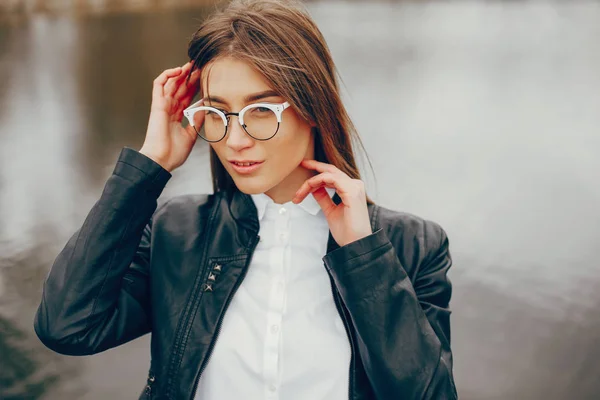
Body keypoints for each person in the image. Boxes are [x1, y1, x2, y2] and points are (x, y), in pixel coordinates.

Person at [33, 0, 457, 399]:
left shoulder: (411, 246)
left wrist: (364, 259)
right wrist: (149, 166)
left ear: (312, 107)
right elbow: (68, 327)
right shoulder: (177, 232)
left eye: (260, 111)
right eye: (216, 114)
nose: (234, 141)